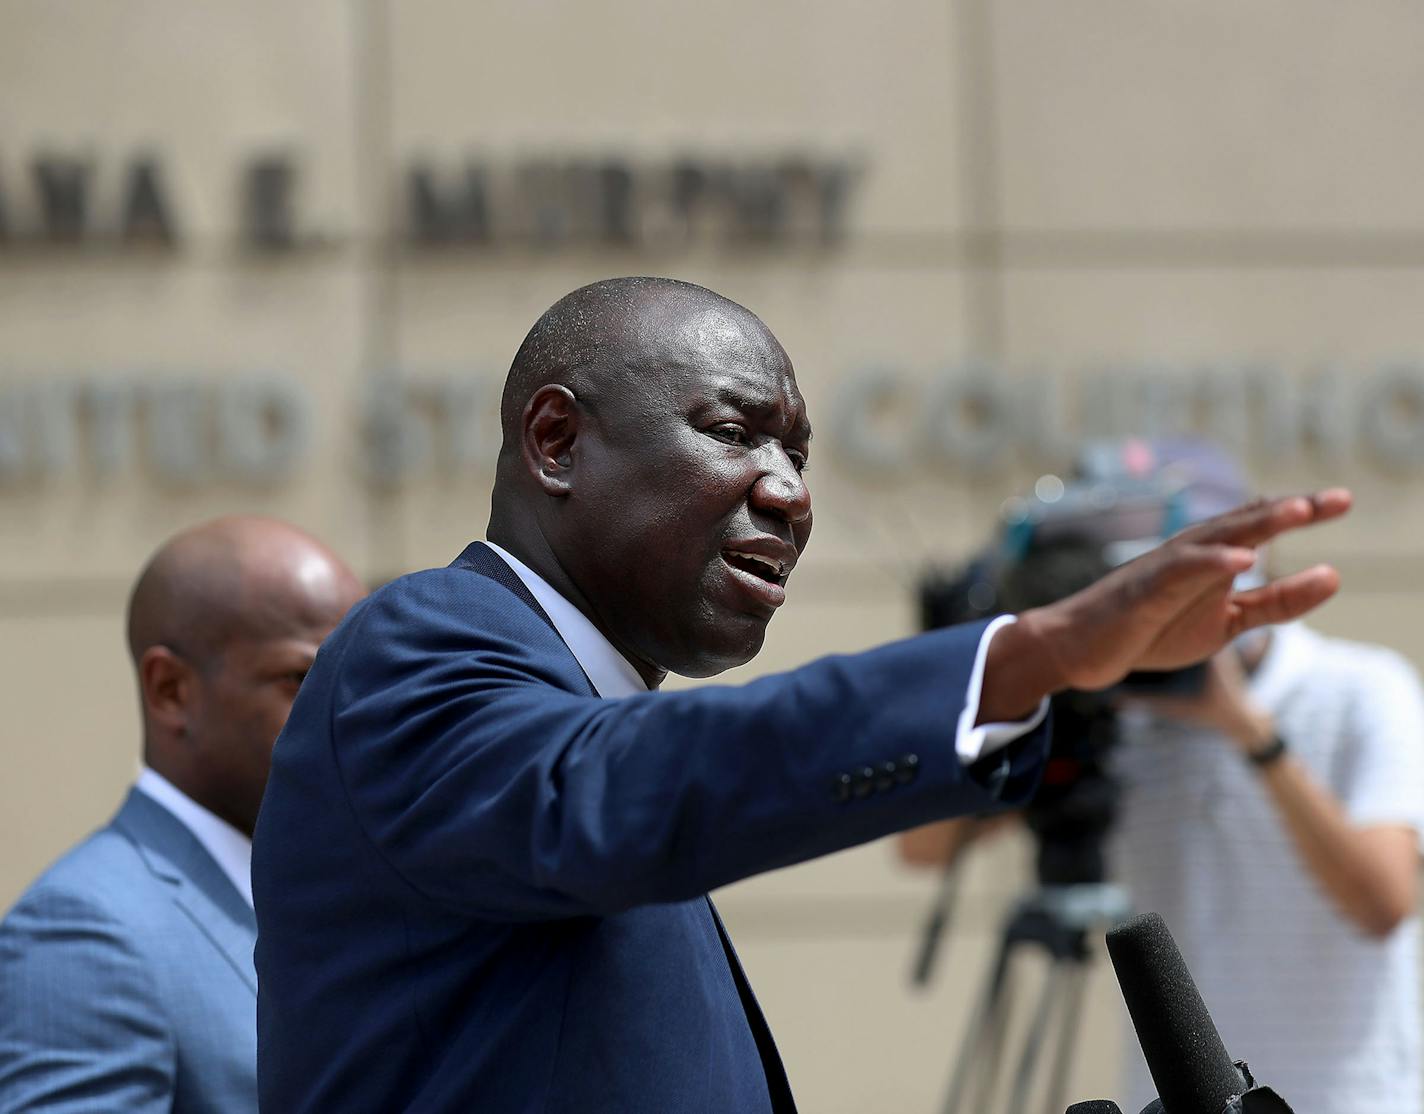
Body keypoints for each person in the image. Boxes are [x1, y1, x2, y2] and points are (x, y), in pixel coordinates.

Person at [252, 277, 1349, 1114]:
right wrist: (1027, 655)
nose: (788, 491)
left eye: (799, 450)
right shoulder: (421, 645)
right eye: (734, 433)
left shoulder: (592, 727)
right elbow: (625, 788)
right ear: (555, 441)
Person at [903, 441, 1423, 1114]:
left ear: (1248, 559)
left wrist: (1245, 728)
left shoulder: (1360, 688)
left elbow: (1383, 902)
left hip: (1351, 1097)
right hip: (1174, 1100)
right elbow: (923, 848)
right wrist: (1033, 693)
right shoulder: (1108, 713)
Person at [0, 517, 365, 1114]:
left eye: (362, 676)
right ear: (171, 690)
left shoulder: (339, 896)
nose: (351, 712)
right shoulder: (86, 935)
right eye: (304, 679)